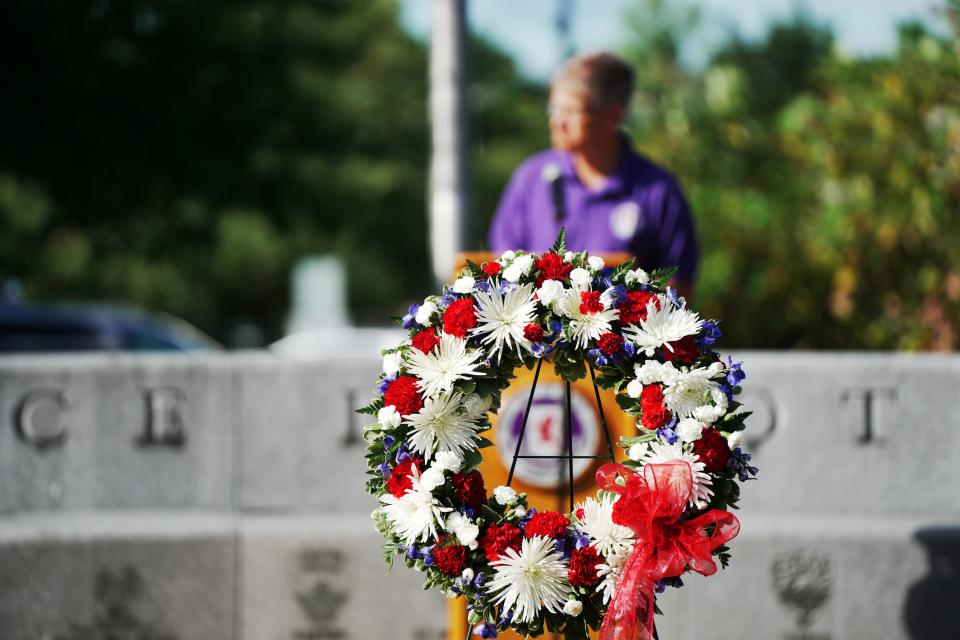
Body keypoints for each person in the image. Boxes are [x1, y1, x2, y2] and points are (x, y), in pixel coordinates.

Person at [488, 51, 698, 298]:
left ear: (613, 115)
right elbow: (501, 271)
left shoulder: (658, 191)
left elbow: (678, 286)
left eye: (571, 110)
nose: (556, 121)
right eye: (553, 108)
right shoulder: (531, 179)